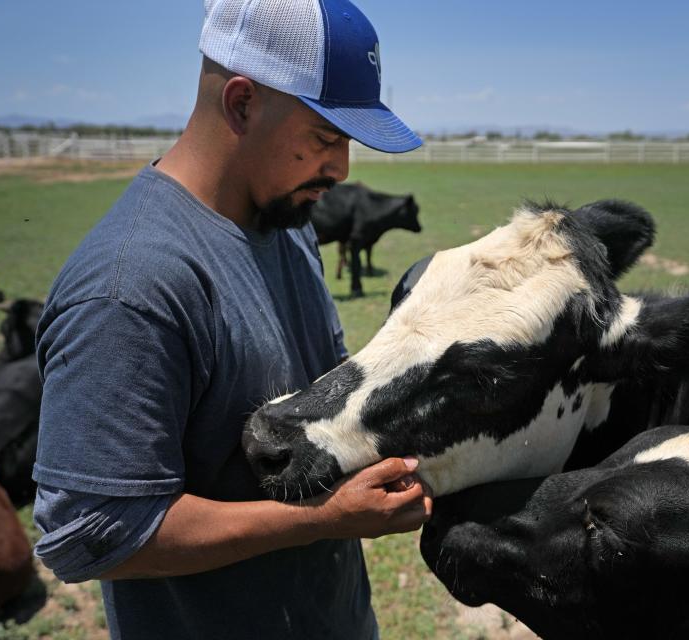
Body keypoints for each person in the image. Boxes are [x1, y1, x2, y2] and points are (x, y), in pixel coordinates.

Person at [31, 1, 430, 638]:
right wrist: (322, 519)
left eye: (346, 142)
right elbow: (87, 535)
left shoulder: (286, 225)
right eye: (324, 137)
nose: (342, 168)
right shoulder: (131, 286)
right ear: (241, 103)